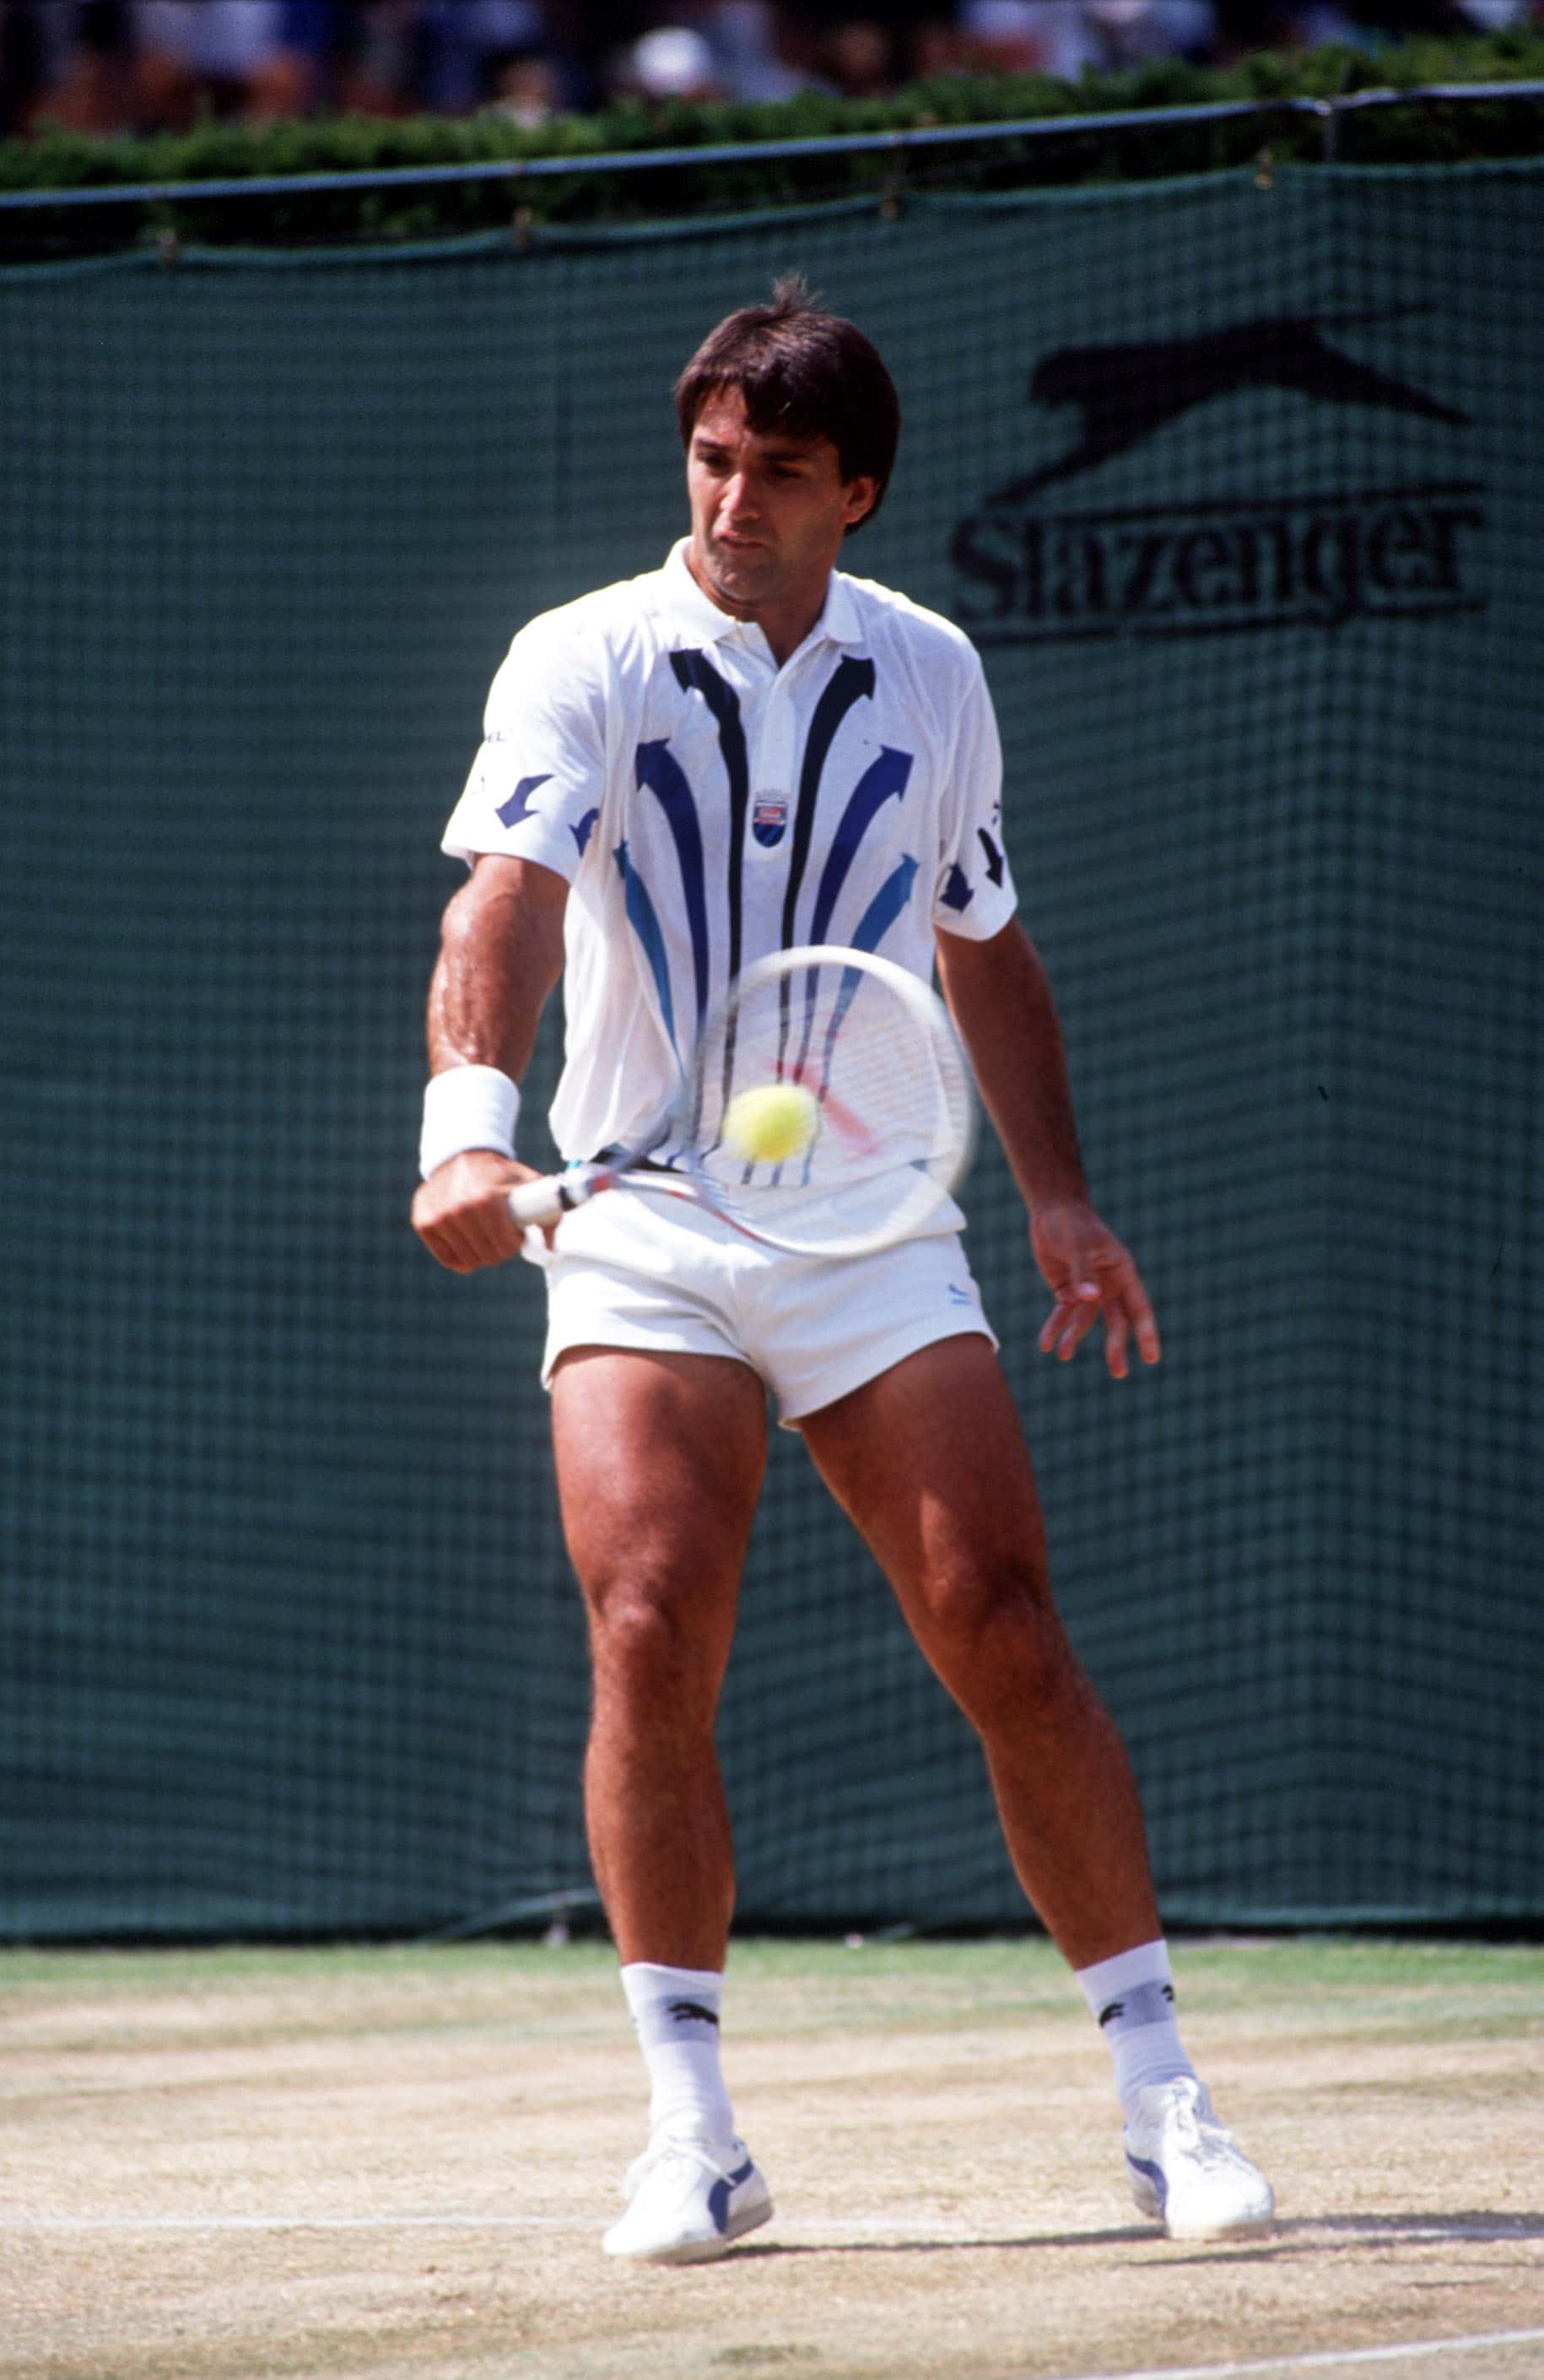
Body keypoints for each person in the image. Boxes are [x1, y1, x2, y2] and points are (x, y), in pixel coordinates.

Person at [411, 278, 1274, 2265]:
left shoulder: (936, 674)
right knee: (646, 1618)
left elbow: (985, 940)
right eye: (710, 459)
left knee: (1002, 1620)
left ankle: (1165, 2101)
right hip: (640, 1220)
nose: (727, 501)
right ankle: (691, 2133)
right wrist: (467, 1114)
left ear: (854, 494)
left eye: (775, 473)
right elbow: (507, 903)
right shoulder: (582, 655)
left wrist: (1056, 1194)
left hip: (872, 1221)